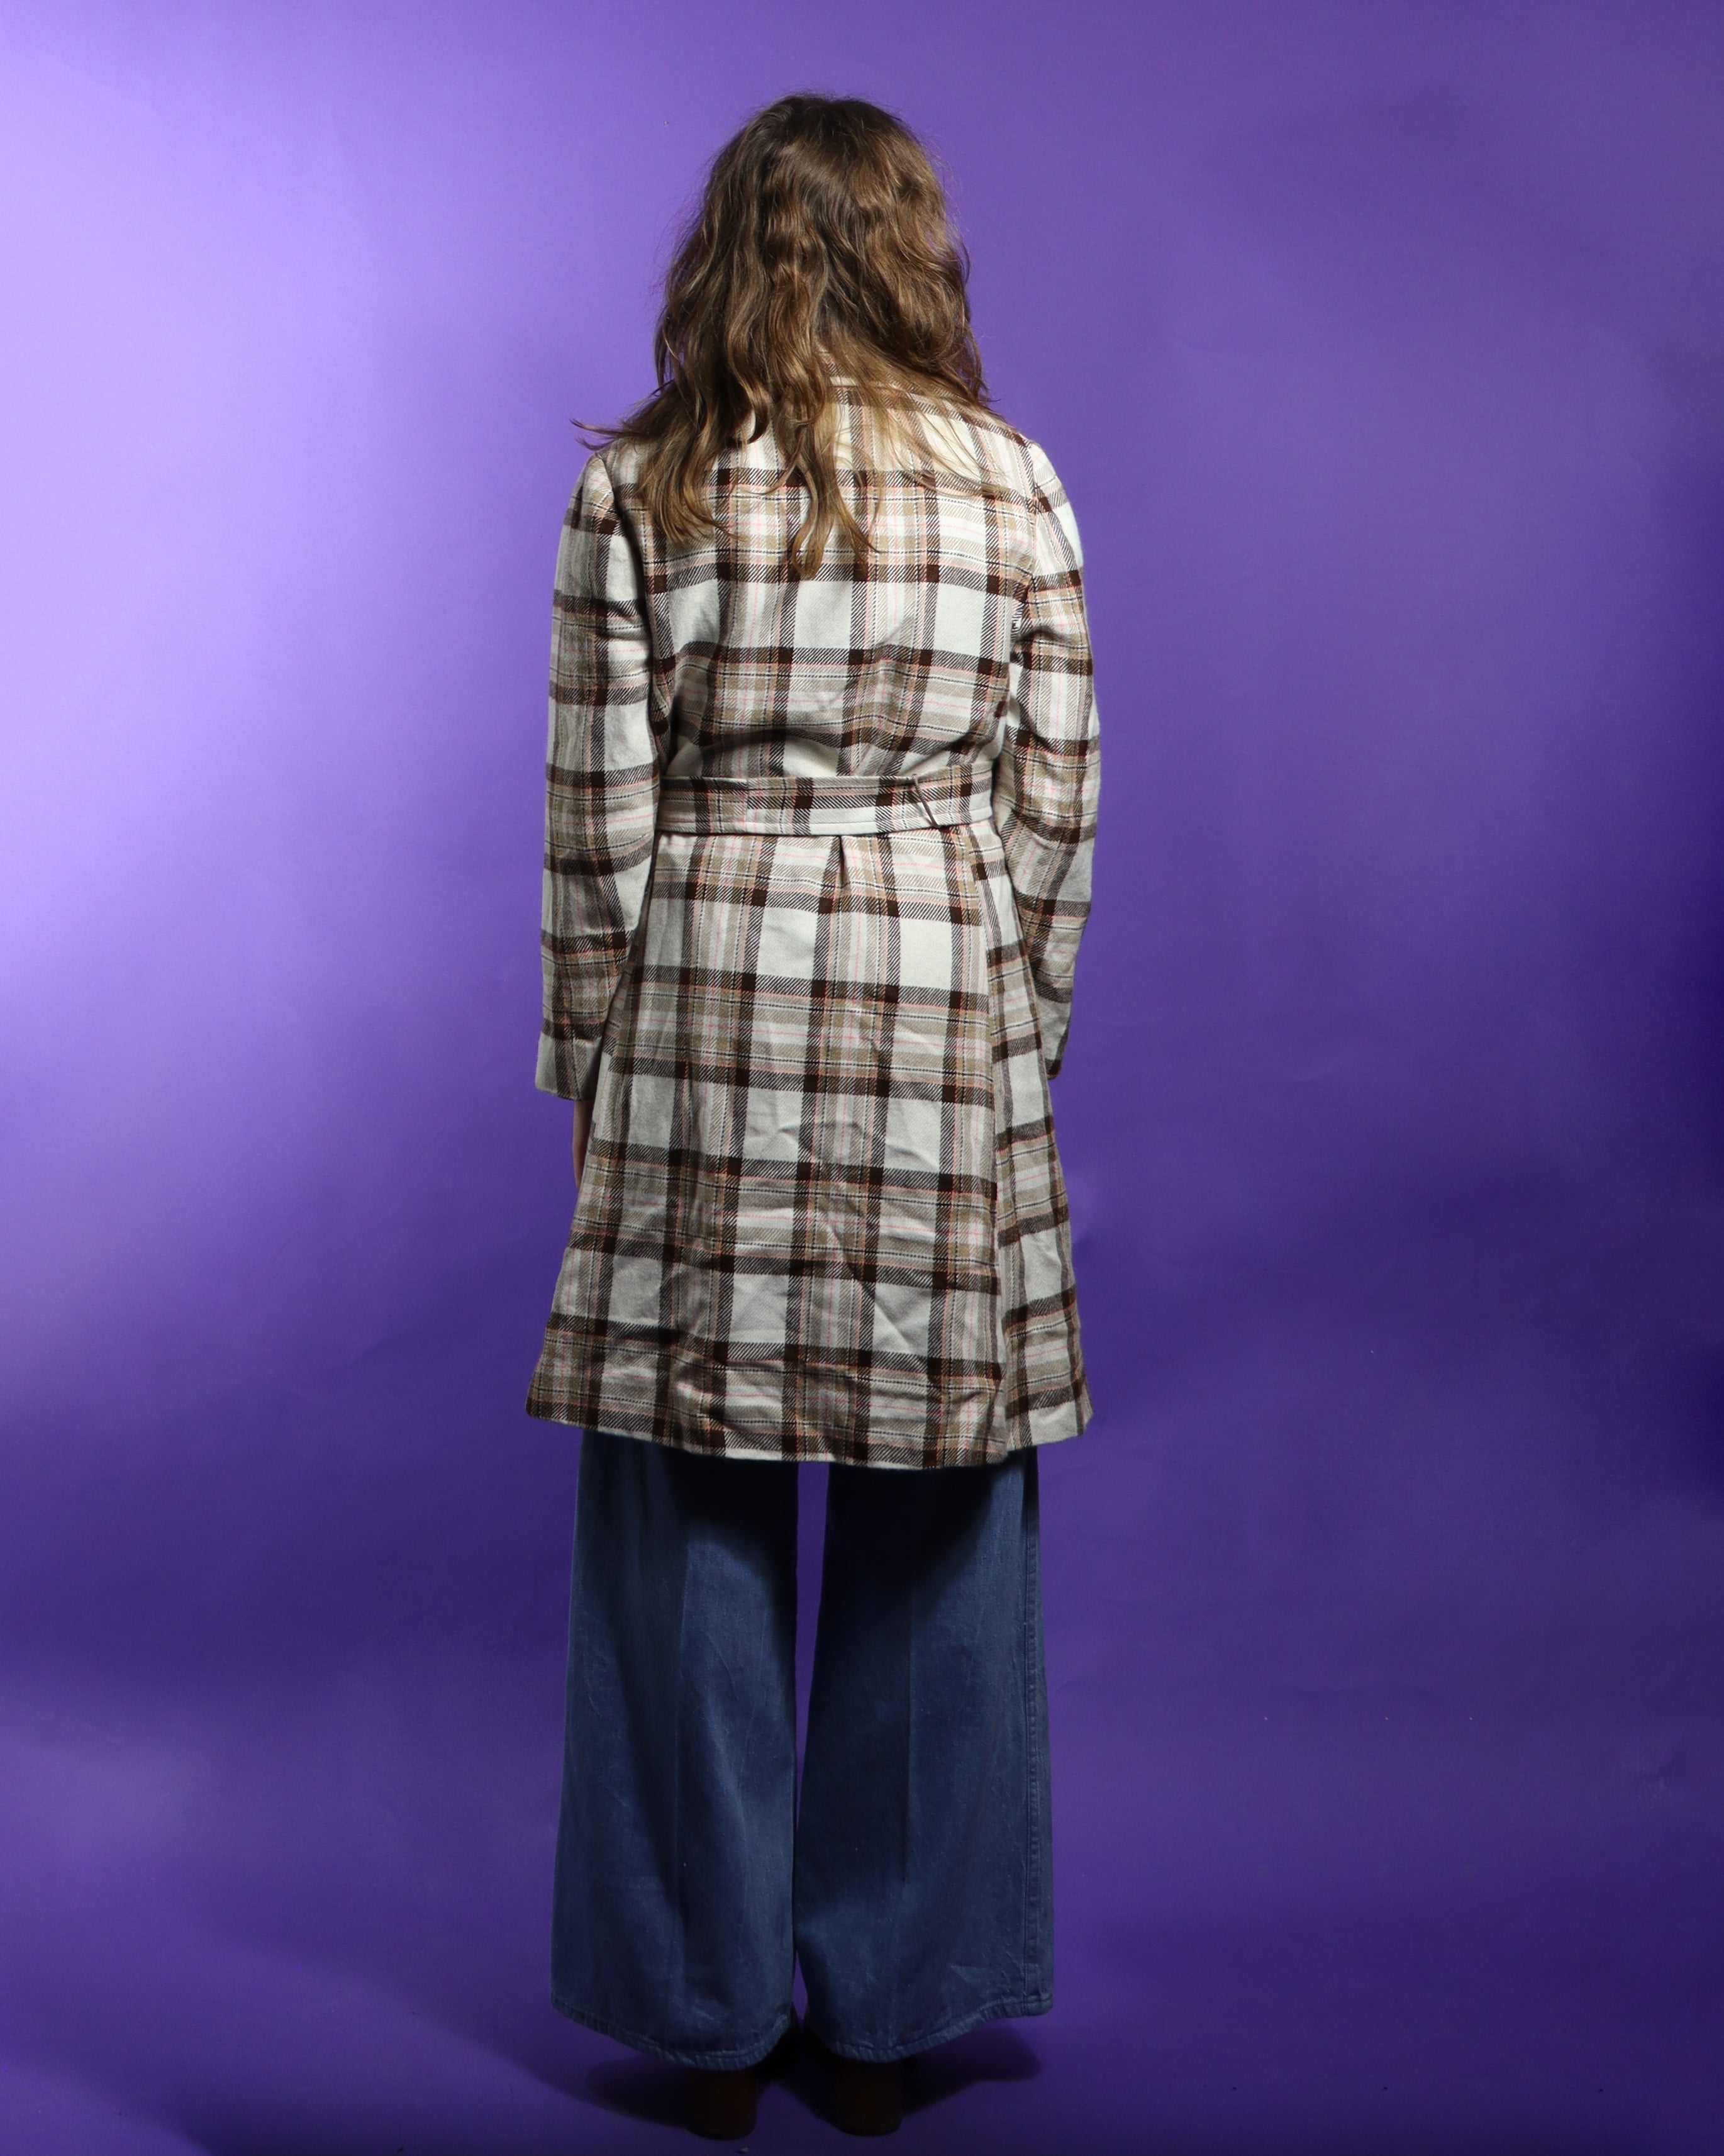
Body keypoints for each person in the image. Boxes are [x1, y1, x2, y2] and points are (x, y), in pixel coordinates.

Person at [525, 92, 1099, 2140]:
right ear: (912, 247)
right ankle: (891, 2011)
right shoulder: (1015, 482)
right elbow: (1057, 806)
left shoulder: (645, 486)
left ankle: (698, 2016)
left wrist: (589, 1061)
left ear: (726, 252)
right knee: (940, 1516)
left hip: (705, 999)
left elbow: (596, 819)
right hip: (942, 998)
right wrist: (1011, 1037)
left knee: (685, 1505)